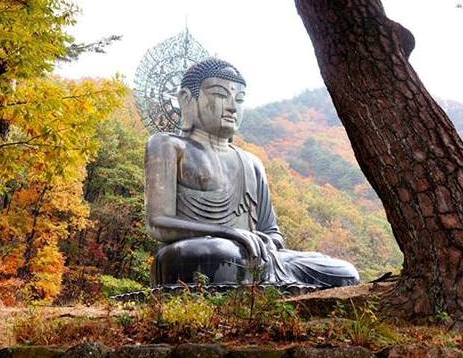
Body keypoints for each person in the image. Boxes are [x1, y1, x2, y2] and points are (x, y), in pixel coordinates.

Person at [145, 58, 359, 287]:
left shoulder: (251, 162)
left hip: (253, 256)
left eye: (239, 99)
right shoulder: (168, 145)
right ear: (186, 99)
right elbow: (158, 223)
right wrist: (228, 232)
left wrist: (266, 242)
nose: (232, 107)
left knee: (344, 272)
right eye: (220, 95)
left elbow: (271, 232)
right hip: (195, 252)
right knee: (217, 253)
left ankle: (263, 278)